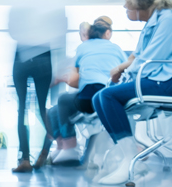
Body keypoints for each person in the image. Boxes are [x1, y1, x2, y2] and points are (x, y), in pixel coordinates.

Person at [92, 0, 172, 186]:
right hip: (161, 78)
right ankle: (130, 156)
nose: (125, 6)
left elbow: (148, 59)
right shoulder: (154, 21)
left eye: (129, 3)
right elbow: (138, 56)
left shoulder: (170, 19)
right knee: (98, 98)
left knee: (108, 95)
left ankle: (131, 158)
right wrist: (123, 72)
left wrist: (126, 76)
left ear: (142, 3)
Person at [6, 0, 66, 173]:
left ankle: (24, 159)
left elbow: (12, 30)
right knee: (42, 108)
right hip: (44, 56)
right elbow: (61, 30)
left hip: (22, 55)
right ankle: (46, 152)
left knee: (21, 109)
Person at [48, 17, 126, 166]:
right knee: (55, 110)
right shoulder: (115, 48)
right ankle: (63, 147)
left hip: (88, 101)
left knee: (63, 100)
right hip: (109, 98)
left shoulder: (82, 48)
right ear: (108, 33)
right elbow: (124, 69)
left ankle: (69, 147)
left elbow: (76, 76)